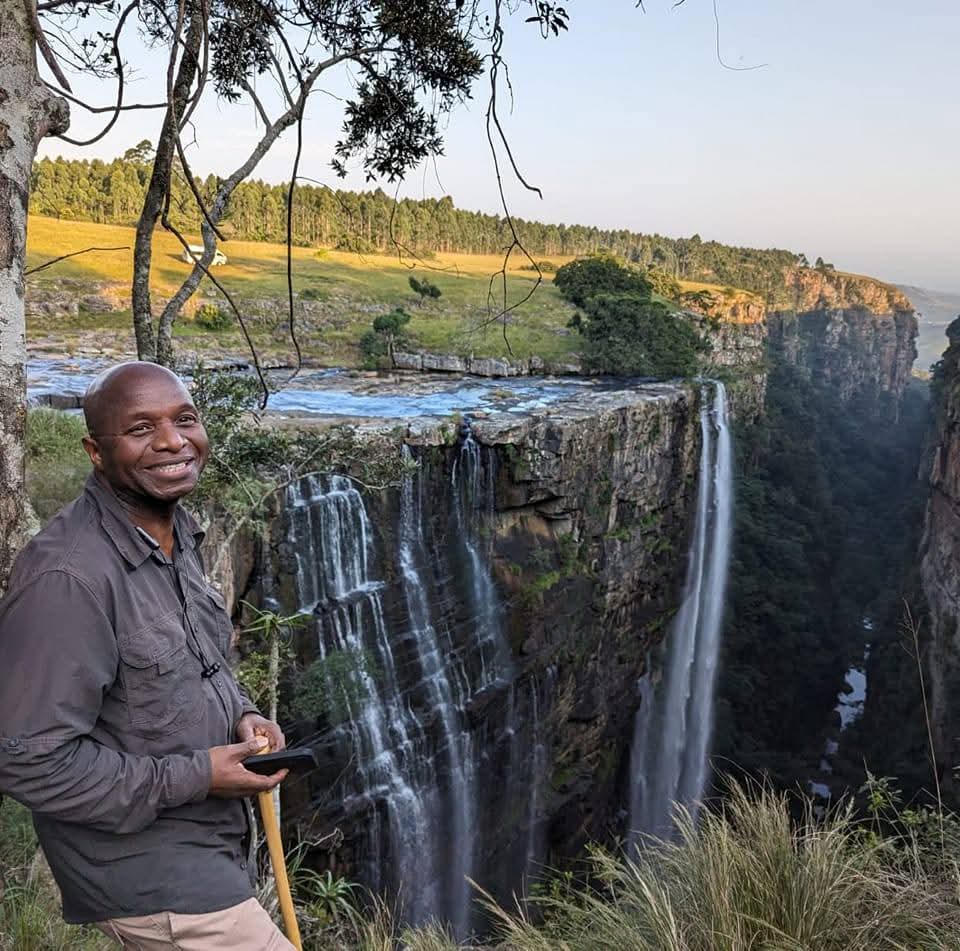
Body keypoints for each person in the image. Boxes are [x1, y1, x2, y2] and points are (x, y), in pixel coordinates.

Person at [0, 362, 296, 950]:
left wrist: (242, 713)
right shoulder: (68, 578)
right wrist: (198, 775)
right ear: (94, 450)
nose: (171, 440)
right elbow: (27, 761)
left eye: (184, 419)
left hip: (209, 846)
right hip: (150, 870)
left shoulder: (171, 530)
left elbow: (189, 662)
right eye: (140, 429)